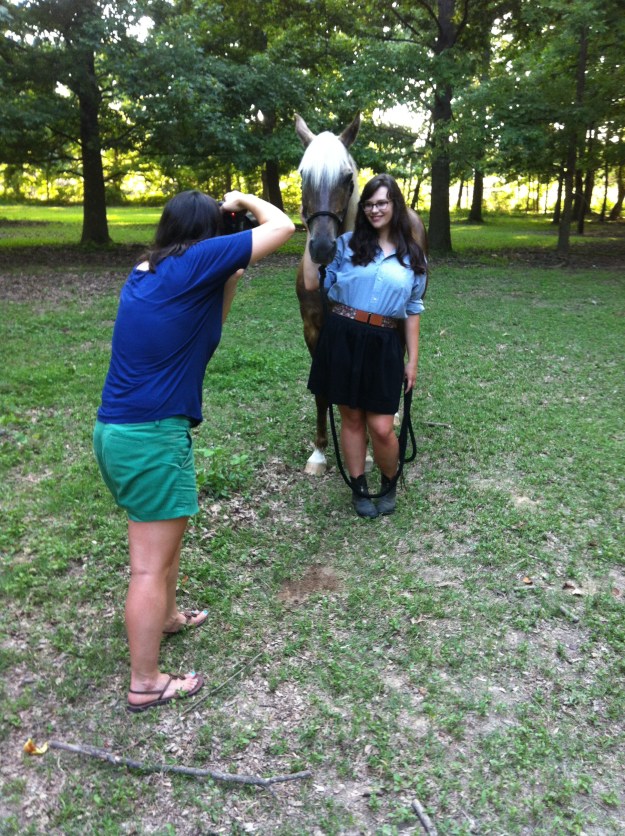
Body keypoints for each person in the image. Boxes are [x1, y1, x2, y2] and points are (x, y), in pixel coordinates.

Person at [93, 190, 295, 712]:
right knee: (147, 567)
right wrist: (245, 201)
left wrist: (229, 273)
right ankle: (145, 682)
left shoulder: (148, 272)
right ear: (207, 234)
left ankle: (167, 617)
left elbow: (208, 333)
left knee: (166, 543)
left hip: (125, 433)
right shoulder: (193, 259)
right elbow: (283, 227)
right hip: (151, 438)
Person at [302, 173, 427, 518]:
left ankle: (389, 480)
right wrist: (312, 233)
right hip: (342, 334)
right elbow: (313, 282)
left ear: (394, 205)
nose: (374, 210)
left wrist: (413, 360)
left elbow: (414, 310)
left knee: (382, 427)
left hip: (385, 340)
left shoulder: (413, 255)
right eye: (369, 204)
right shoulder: (345, 245)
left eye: (382, 203)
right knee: (352, 418)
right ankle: (358, 487)